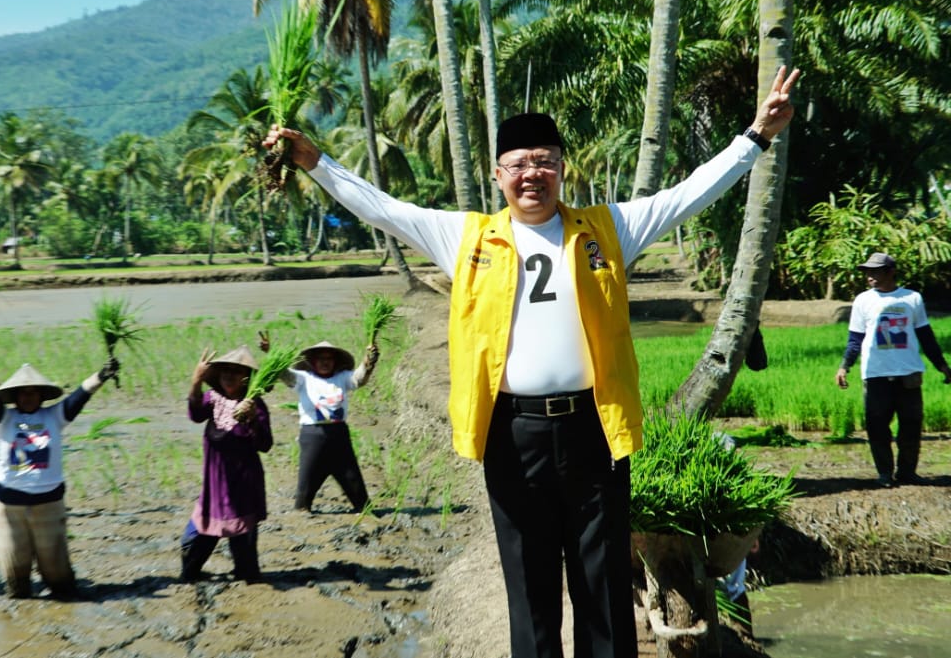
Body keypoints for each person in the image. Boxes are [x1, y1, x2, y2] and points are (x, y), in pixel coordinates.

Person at [263, 65, 802, 658]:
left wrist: (755, 138)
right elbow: (382, 208)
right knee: (529, 583)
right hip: (510, 433)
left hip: (594, 429)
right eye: (519, 164)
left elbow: (688, 193)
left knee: (600, 579)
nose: (532, 175)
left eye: (544, 161)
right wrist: (317, 163)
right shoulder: (464, 237)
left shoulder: (607, 229)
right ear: (498, 176)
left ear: (562, 170)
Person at [0, 349, 120, 600]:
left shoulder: (54, 416)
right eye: (23, 392)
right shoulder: (5, 417)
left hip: (48, 506)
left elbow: (80, 396)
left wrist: (102, 375)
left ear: (41, 395)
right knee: (16, 577)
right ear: (15, 396)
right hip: (10, 509)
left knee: (58, 577)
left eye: (33, 392)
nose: (28, 397)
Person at [835, 252, 951, 488]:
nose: (870, 276)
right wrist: (844, 366)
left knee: (910, 423)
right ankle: (885, 474)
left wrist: (942, 366)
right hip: (875, 373)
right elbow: (855, 339)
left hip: (908, 373)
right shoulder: (862, 301)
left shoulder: (912, 298)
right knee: (877, 425)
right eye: (868, 272)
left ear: (890, 272)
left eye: (875, 271)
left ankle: (907, 472)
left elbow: (925, 336)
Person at [180, 346, 273, 583]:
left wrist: (252, 419)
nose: (229, 376)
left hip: (243, 487)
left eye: (236, 371)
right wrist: (195, 381)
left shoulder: (255, 405)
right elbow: (195, 415)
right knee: (192, 548)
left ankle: (249, 579)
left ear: (246, 378)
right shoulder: (212, 399)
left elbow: (265, 444)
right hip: (215, 486)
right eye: (225, 371)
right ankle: (189, 575)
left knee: (247, 568)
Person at [272, 339, 379, 513]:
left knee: (358, 493)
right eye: (320, 358)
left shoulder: (342, 378)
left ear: (335, 362)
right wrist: (272, 353)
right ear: (312, 361)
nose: (324, 362)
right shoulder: (304, 379)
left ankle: (363, 510)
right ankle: (302, 512)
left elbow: (359, 378)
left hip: (339, 435)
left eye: (329, 358)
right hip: (313, 436)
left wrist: (369, 360)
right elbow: (286, 375)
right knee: (304, 492)